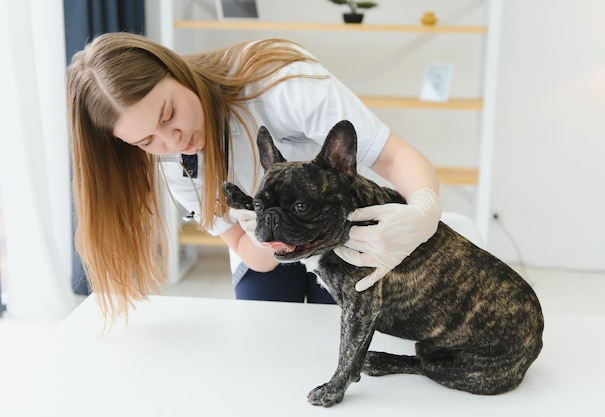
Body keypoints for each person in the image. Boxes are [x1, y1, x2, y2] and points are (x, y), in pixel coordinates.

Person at [67, 32, 441, 322]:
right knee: (266, 334)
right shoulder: (172, 164)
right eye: (147, 139)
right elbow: (247, 252)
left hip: (345, 234)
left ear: (176, 71)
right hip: (272, 256)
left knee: (355, 324)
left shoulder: (280, 84)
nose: (173, 140)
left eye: (168, 114)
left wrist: (424, 210)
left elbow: (393, 157)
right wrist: (260, 237)